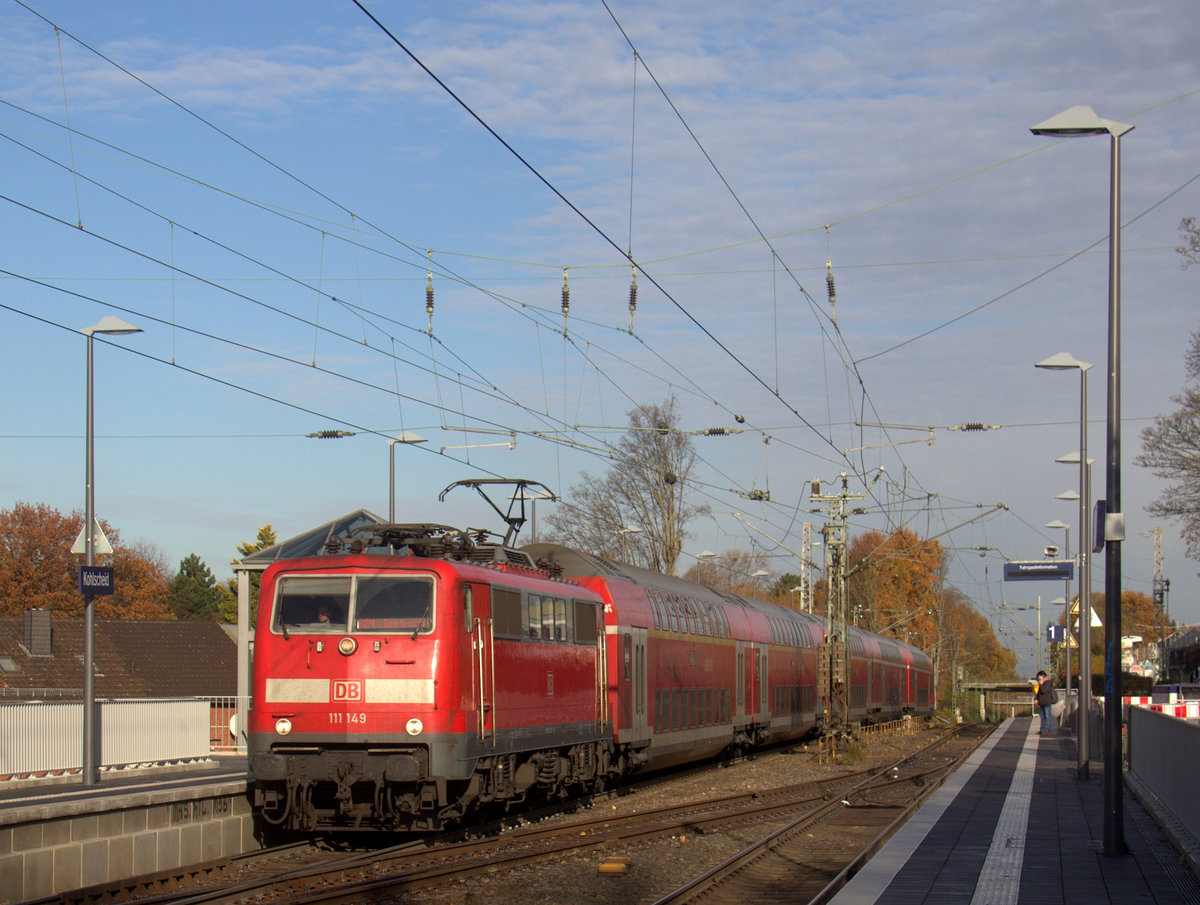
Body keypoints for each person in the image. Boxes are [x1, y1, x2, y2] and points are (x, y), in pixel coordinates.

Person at [1035, 670, 1056, 735]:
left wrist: (1041, 684)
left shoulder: (1048, 682)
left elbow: (1043, 690)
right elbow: (1038, 692)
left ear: (1043, 676)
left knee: (1048, 716)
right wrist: (1036, 699)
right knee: (1042, 717)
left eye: (1040, 678)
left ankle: (1050, 730)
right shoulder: (1040, 683)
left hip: (1046, 702)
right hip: (1041, 702)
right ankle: (1042, 730)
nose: (1039, 679)